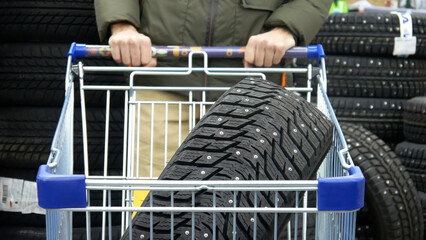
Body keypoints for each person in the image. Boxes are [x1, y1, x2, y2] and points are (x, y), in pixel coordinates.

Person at [94, 0, 332, 178]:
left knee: (249, 212)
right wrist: (122, 25)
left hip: (255, 91)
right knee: (150, 207)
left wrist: (286, 29)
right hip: (162, 81)